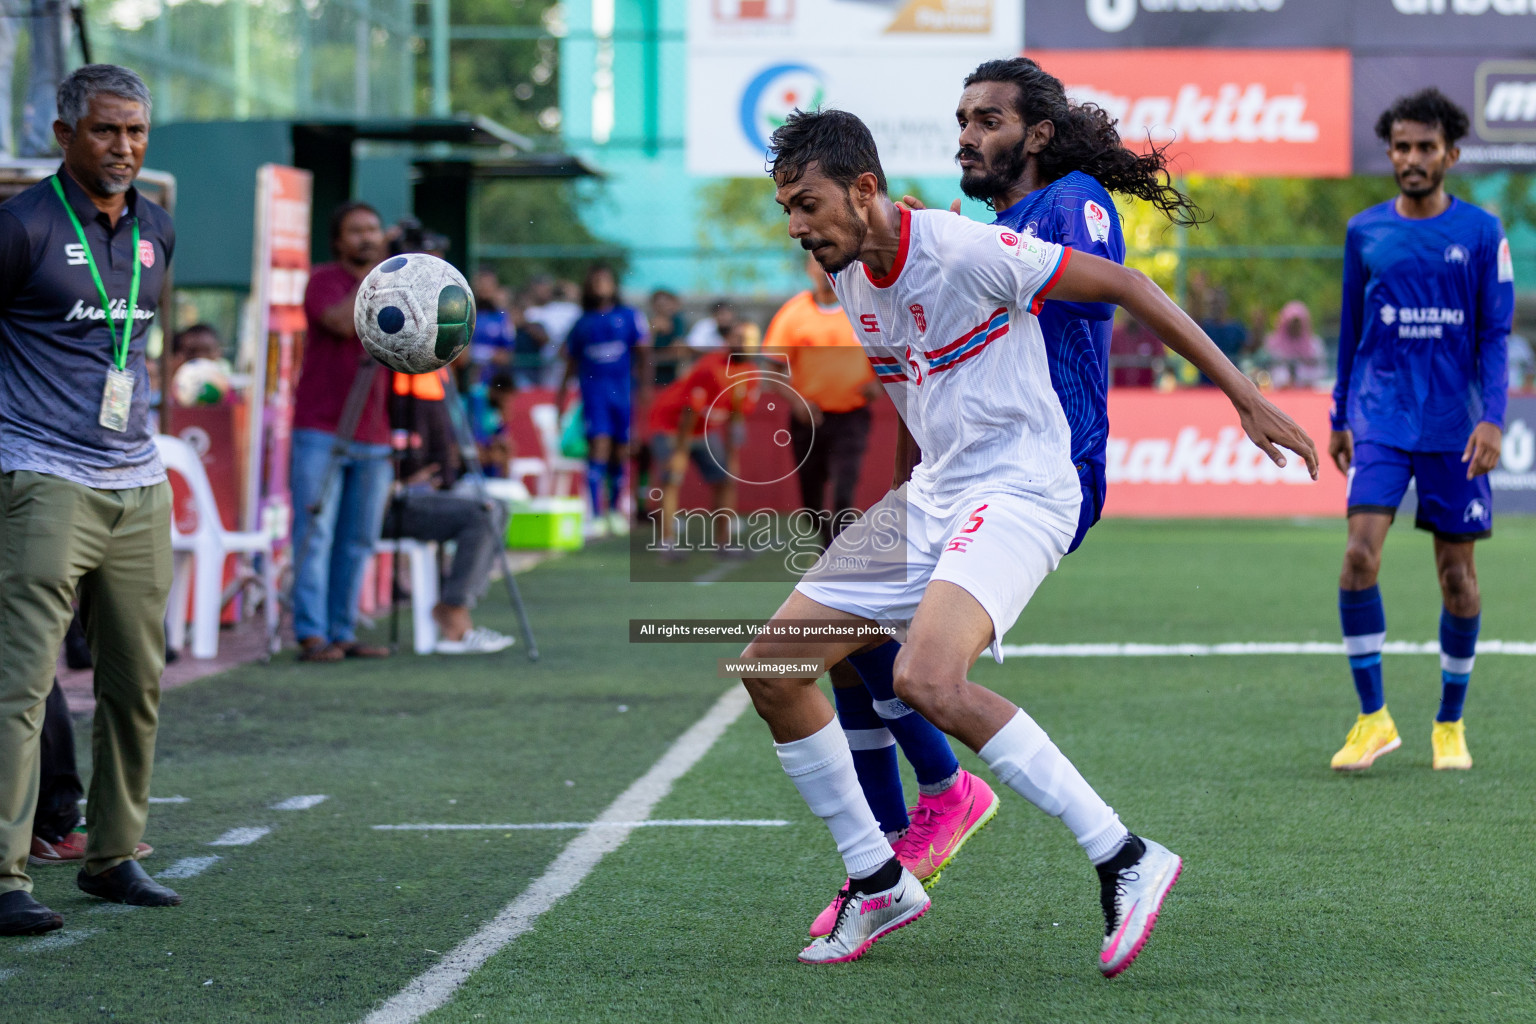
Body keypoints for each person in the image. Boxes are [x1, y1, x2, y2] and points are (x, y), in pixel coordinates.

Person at [741, 108, 1316, 970]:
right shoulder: (850, 277)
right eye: (787, 207)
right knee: (773, 669)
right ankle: (878, 881)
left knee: (926, 677)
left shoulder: (965, 248)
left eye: (808, 203)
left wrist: (1245, 394)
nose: (795, 226)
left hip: (1024, 486)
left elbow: (1130, 288)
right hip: (935, 495)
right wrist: (894, 511)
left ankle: (1126, 856)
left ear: (864, 189)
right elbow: (921, 398)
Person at [804, 55, 1209, 942]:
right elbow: (928, 373)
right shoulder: (972, 232)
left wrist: (1241, 394)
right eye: (961, 119)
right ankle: (898, 843)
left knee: (920, 670)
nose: (966, 136)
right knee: (832, 642)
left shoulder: (1063, 207)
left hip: (1042, 468)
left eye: (987, 120)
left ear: (1039, 134)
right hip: (957, 477)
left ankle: (960, 807)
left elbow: (1099, 294)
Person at [0, 63, 186, 935]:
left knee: (136, 681)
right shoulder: (21, 227)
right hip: (41, 476)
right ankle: (5, 874)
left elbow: (140, 345)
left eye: (137, 131)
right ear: (64, 135)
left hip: (139, 483)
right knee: (22, 684)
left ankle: (114, 858)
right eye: (108, 131)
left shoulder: (157, 229)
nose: (124, 147)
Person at [1327, 88, 1513, 773]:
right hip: (1379, 417)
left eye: (1425, 148)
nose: (1411, 158)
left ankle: (1449, 724)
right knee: (1357, 558)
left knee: (1457, 578)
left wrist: (1494, 417)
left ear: (1451, 155)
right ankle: (1373, 718)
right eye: (1401, 147)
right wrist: (1339, 411)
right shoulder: (1364, 231)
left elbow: (1495, 335)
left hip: (1454, 427)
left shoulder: (1482, 233)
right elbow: (1350, 328)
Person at [289, 202, 394, 663]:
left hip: (374, 431)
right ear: (338, 241)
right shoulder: (324, 280)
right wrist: (376, 276)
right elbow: (337, 321)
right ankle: (312, 634)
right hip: (321, 427)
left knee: (358, 539)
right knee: (315, 533)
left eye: (373, 229)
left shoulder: (396, 283)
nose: (367, 238)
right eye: (356, 231)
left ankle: (343, 629)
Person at [383, 370, 515, 654]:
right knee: (481, 514)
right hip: (394, 499)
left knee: (497, 507)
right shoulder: (392, 369)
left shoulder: (439, 373)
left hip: (434, 489)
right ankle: (453, 612)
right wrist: (403, 482)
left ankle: (459, 602)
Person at [765, 252, 880, 548]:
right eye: (816, 262)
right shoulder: (793, 313)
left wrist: (878, 383)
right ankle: (830, 546)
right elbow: (773, 372)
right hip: (809, 419)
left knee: (844, 492)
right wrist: (797, 402)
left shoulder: (861, 306)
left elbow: (891, 352)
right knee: (810, 502)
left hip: (851, 416)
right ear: (808, 269)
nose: (823, 268)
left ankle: (836, 556)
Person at [646, 325, 757, 554]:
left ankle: (724, 543)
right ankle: (666, 542)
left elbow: (737, 417)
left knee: (725, 480)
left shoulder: (751, 374)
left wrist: (732, 457)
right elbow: (690, 409)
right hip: (672, 424)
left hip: (704, 429)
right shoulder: (711, 367)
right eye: (738, 338)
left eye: (747, 339)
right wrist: (679, 452)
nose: (742, 343)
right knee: (672, 477)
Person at [559, 265, 648, 535]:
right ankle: (596, 514)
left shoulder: (629, 316)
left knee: (621, 450)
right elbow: (570, 365)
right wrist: (559, 399)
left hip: (622, 394)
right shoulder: (581, 323)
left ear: (613, 285)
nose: (599, 285)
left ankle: (614, 511)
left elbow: (644, 354)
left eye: (604, 280)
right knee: (598, 447)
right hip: (594, 395)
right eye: (594, 280)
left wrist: (645, 387)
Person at [1262, 301, 1326, 388]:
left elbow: (1320, 369)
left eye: (1298, 323)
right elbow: (1268, 370)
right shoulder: (1273, 344)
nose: (1295, 327)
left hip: (1308, 391)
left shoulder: (1314, 344)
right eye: (1292, 323)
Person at [648, 289, 688, 386]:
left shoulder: (677, 321)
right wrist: (653, 330)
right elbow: (645, 351)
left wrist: (654, 358)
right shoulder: (651, 324)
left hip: (671, 373)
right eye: (659, 305)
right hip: (654, 375)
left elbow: (677, 352)